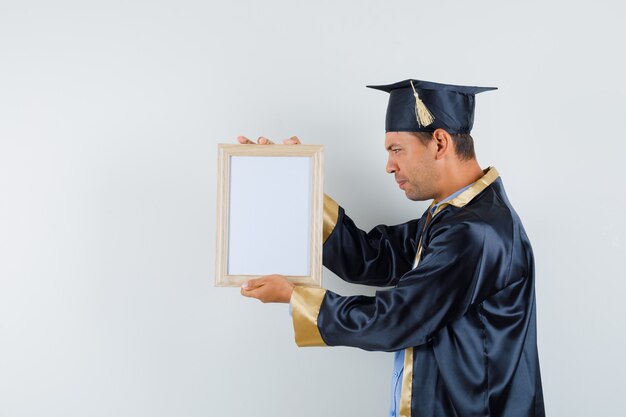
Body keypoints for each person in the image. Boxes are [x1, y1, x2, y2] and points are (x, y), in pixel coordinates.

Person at [238, 79, 545, 417]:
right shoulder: (454, 217)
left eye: (396, 149)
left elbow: (398, 318)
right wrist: (298, 183)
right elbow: (373, 257)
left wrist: (296, 297)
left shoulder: (475, 232)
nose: (389, 165)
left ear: (439, 142)